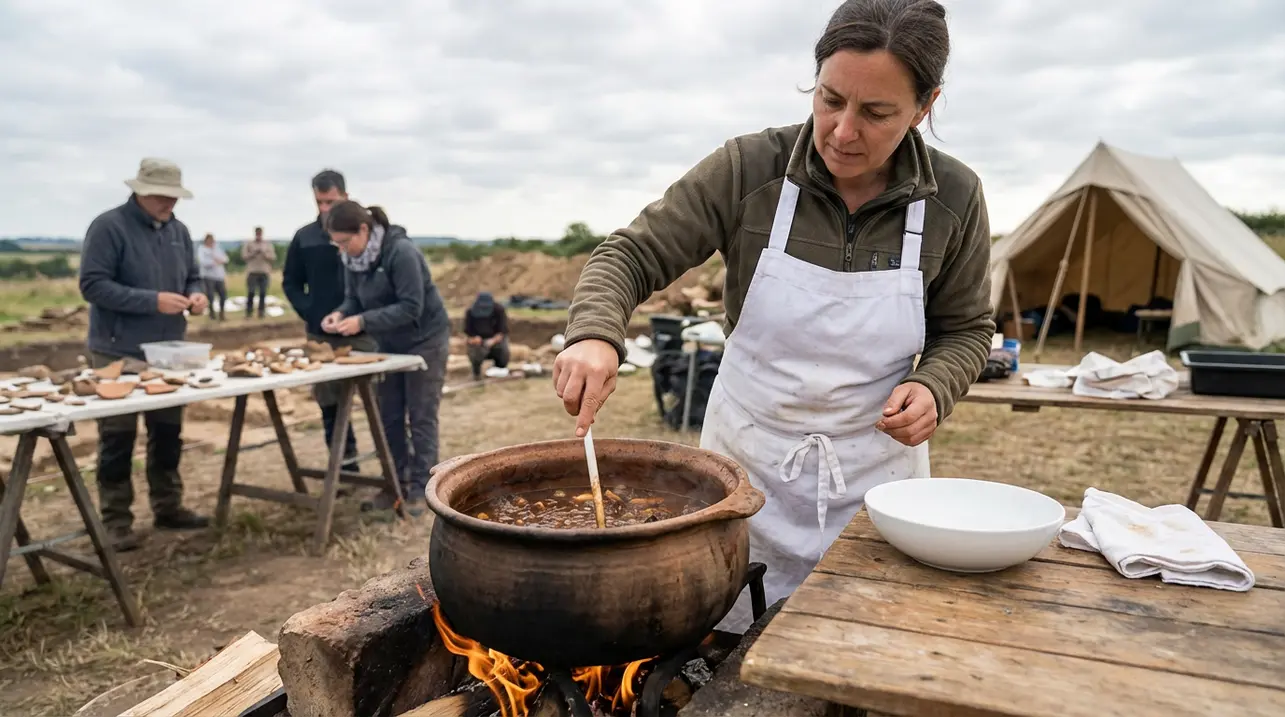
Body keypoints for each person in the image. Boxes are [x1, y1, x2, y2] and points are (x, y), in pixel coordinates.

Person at [554, 0, 994, 634]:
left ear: (925, 107)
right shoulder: (749, 169)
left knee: (858, 643)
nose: (844, 131)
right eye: (830, 99)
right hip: (748, 470)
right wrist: (595, 333)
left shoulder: (954, 197)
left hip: (875, 478)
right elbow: (630, 252)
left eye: (876, 114)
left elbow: (967, 328)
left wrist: (934, 386)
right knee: (725, 647)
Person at [78, 158, 212, 551]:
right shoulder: (108, 226)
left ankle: (168, 506)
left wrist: (197, 293)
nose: (169, 203)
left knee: (168, 433)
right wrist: (151, 301)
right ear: (139, 190)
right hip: (116, 350)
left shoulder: (180, 231)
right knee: (118, 437)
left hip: (168, 351)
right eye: (161, 196)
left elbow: (191, 275)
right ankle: (116, 521)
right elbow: (92, 285)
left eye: (174, 196)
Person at [321, 201, 450, 514]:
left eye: (344, 241)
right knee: (388, 415)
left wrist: (363, 322)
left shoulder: (401, 253)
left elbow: (411, 307)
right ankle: (394, 484)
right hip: (388, 344)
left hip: (424, 340)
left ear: (363, 230)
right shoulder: (352, 259)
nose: (341, 249)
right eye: (335, 243)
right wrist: (341, 313)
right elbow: (353, 298)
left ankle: (422, 488)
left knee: (420, 415)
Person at [282, 169, 375, 476]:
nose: (324, 208)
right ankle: (346, 467)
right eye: (319, 202)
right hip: (321, 334)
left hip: (364, 330)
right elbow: (291, 283)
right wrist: (310, 312)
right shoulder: (304, 237)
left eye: (330, 201)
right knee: (330, 404)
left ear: (345, 197)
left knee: (380, 399)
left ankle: (394, 468)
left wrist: (364, 314)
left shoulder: (366, 234)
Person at [464, 292, 510, 380]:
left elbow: (502, 332)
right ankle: (476, 373)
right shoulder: (470, 312)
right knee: (474, 351)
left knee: (503, 349)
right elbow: (468, 333)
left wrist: (492, 341)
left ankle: (499, 370)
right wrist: (474, 339)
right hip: (478, 342)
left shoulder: (499, 310)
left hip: (495, 340)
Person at [241, 226, 275, 318]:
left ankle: (261, 312)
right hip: (252, 271)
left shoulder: (267, 244)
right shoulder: (249, 244)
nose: (259, 235)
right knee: (251, 292)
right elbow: (244, 256)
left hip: (264, 271)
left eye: (260, 233)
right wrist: (253, 253)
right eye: (257, 233)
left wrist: (264, 254)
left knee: (263, 293)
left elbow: (273, 257)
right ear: (255, 233)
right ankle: (249, 312)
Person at [197, 233, 229, 320]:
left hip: (219, 276)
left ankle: (222, 313)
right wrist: (214, 262)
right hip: (208, 276)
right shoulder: (202, 249)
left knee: (223, 295)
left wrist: (218, 260)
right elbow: (203, 262)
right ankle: (212, 313)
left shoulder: (217, 248)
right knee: (210, 295)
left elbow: (225, 259)